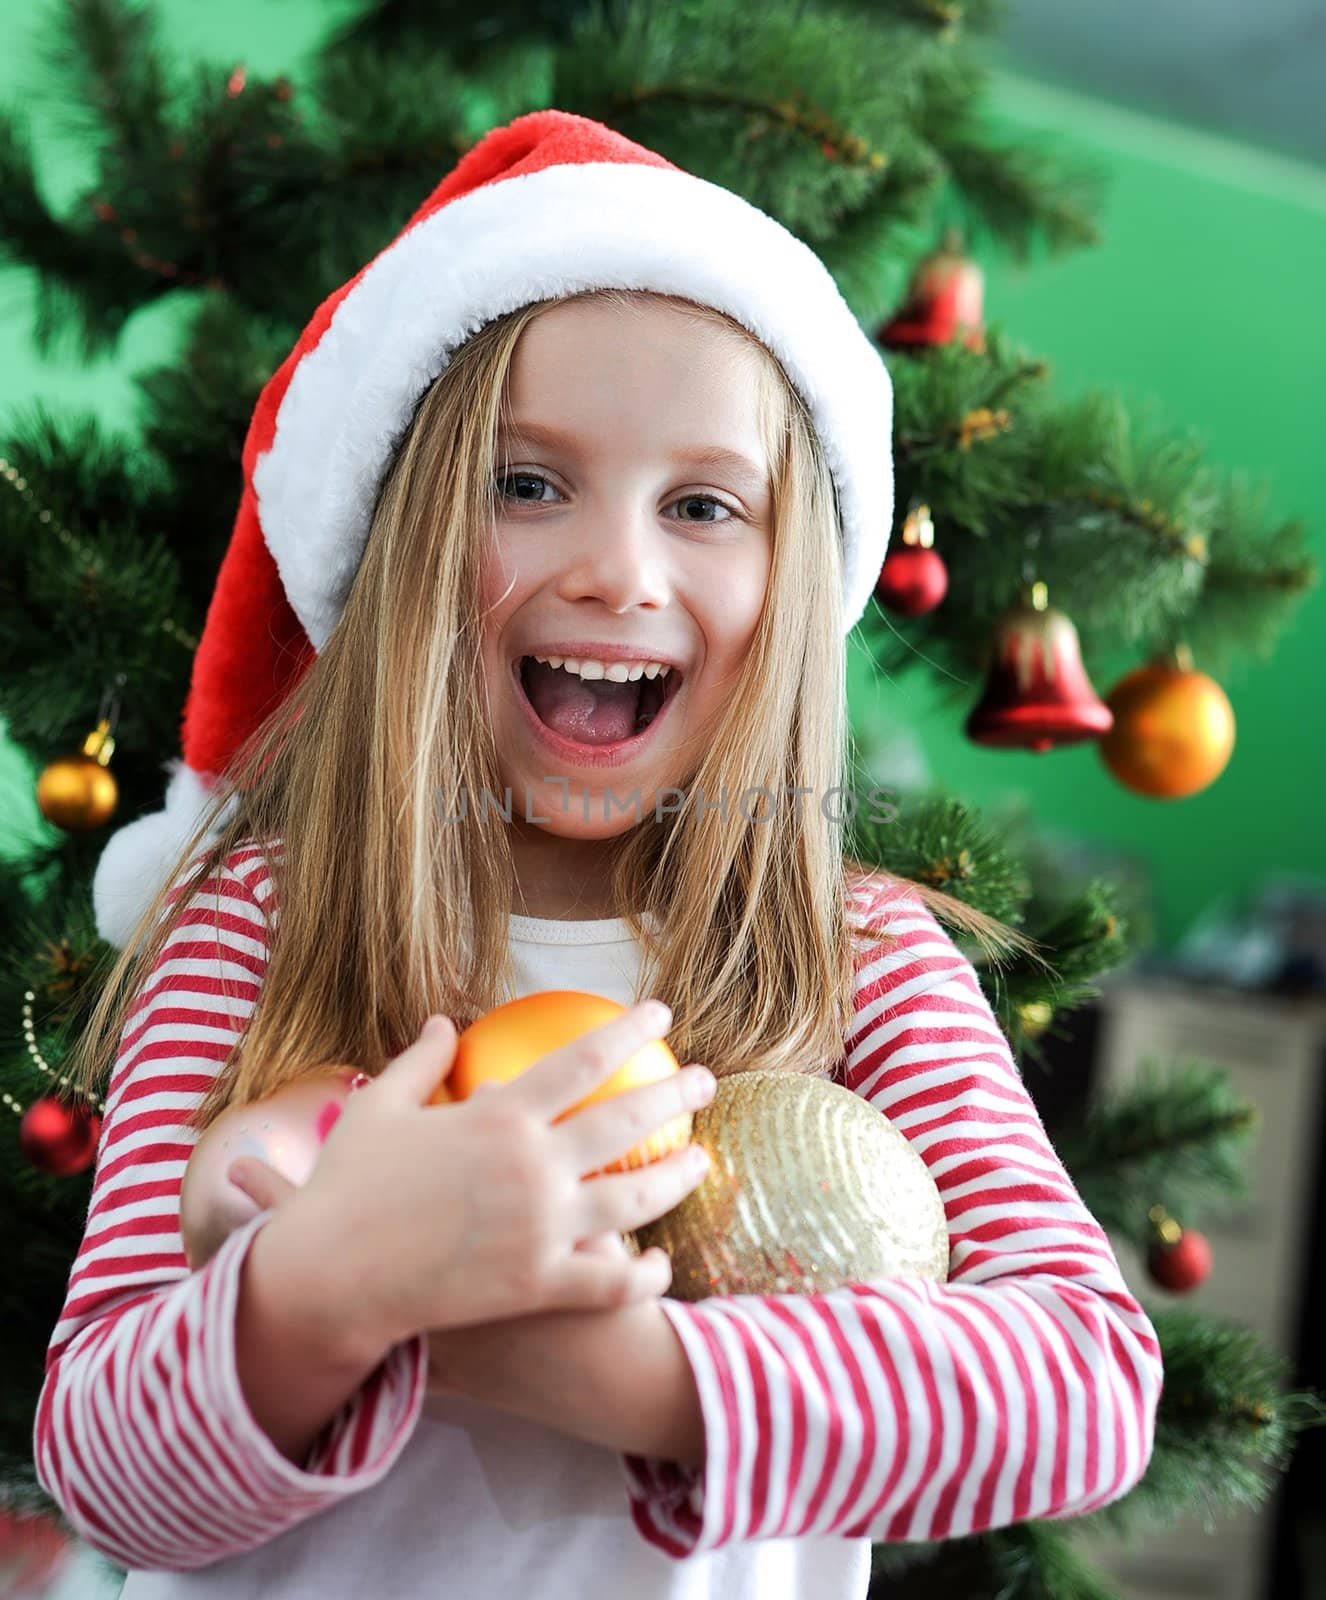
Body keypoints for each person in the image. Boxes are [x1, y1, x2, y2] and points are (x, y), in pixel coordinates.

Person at [37, 110, 1162, 1597]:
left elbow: (1079, 1383)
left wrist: (613, 1374)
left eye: (702, 506)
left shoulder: (865, 964)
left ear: (793, 579)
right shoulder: (257, 924)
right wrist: (315, 1297)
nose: (617, 571)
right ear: (405, 541)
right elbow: (104, 1474)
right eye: (526, 484)